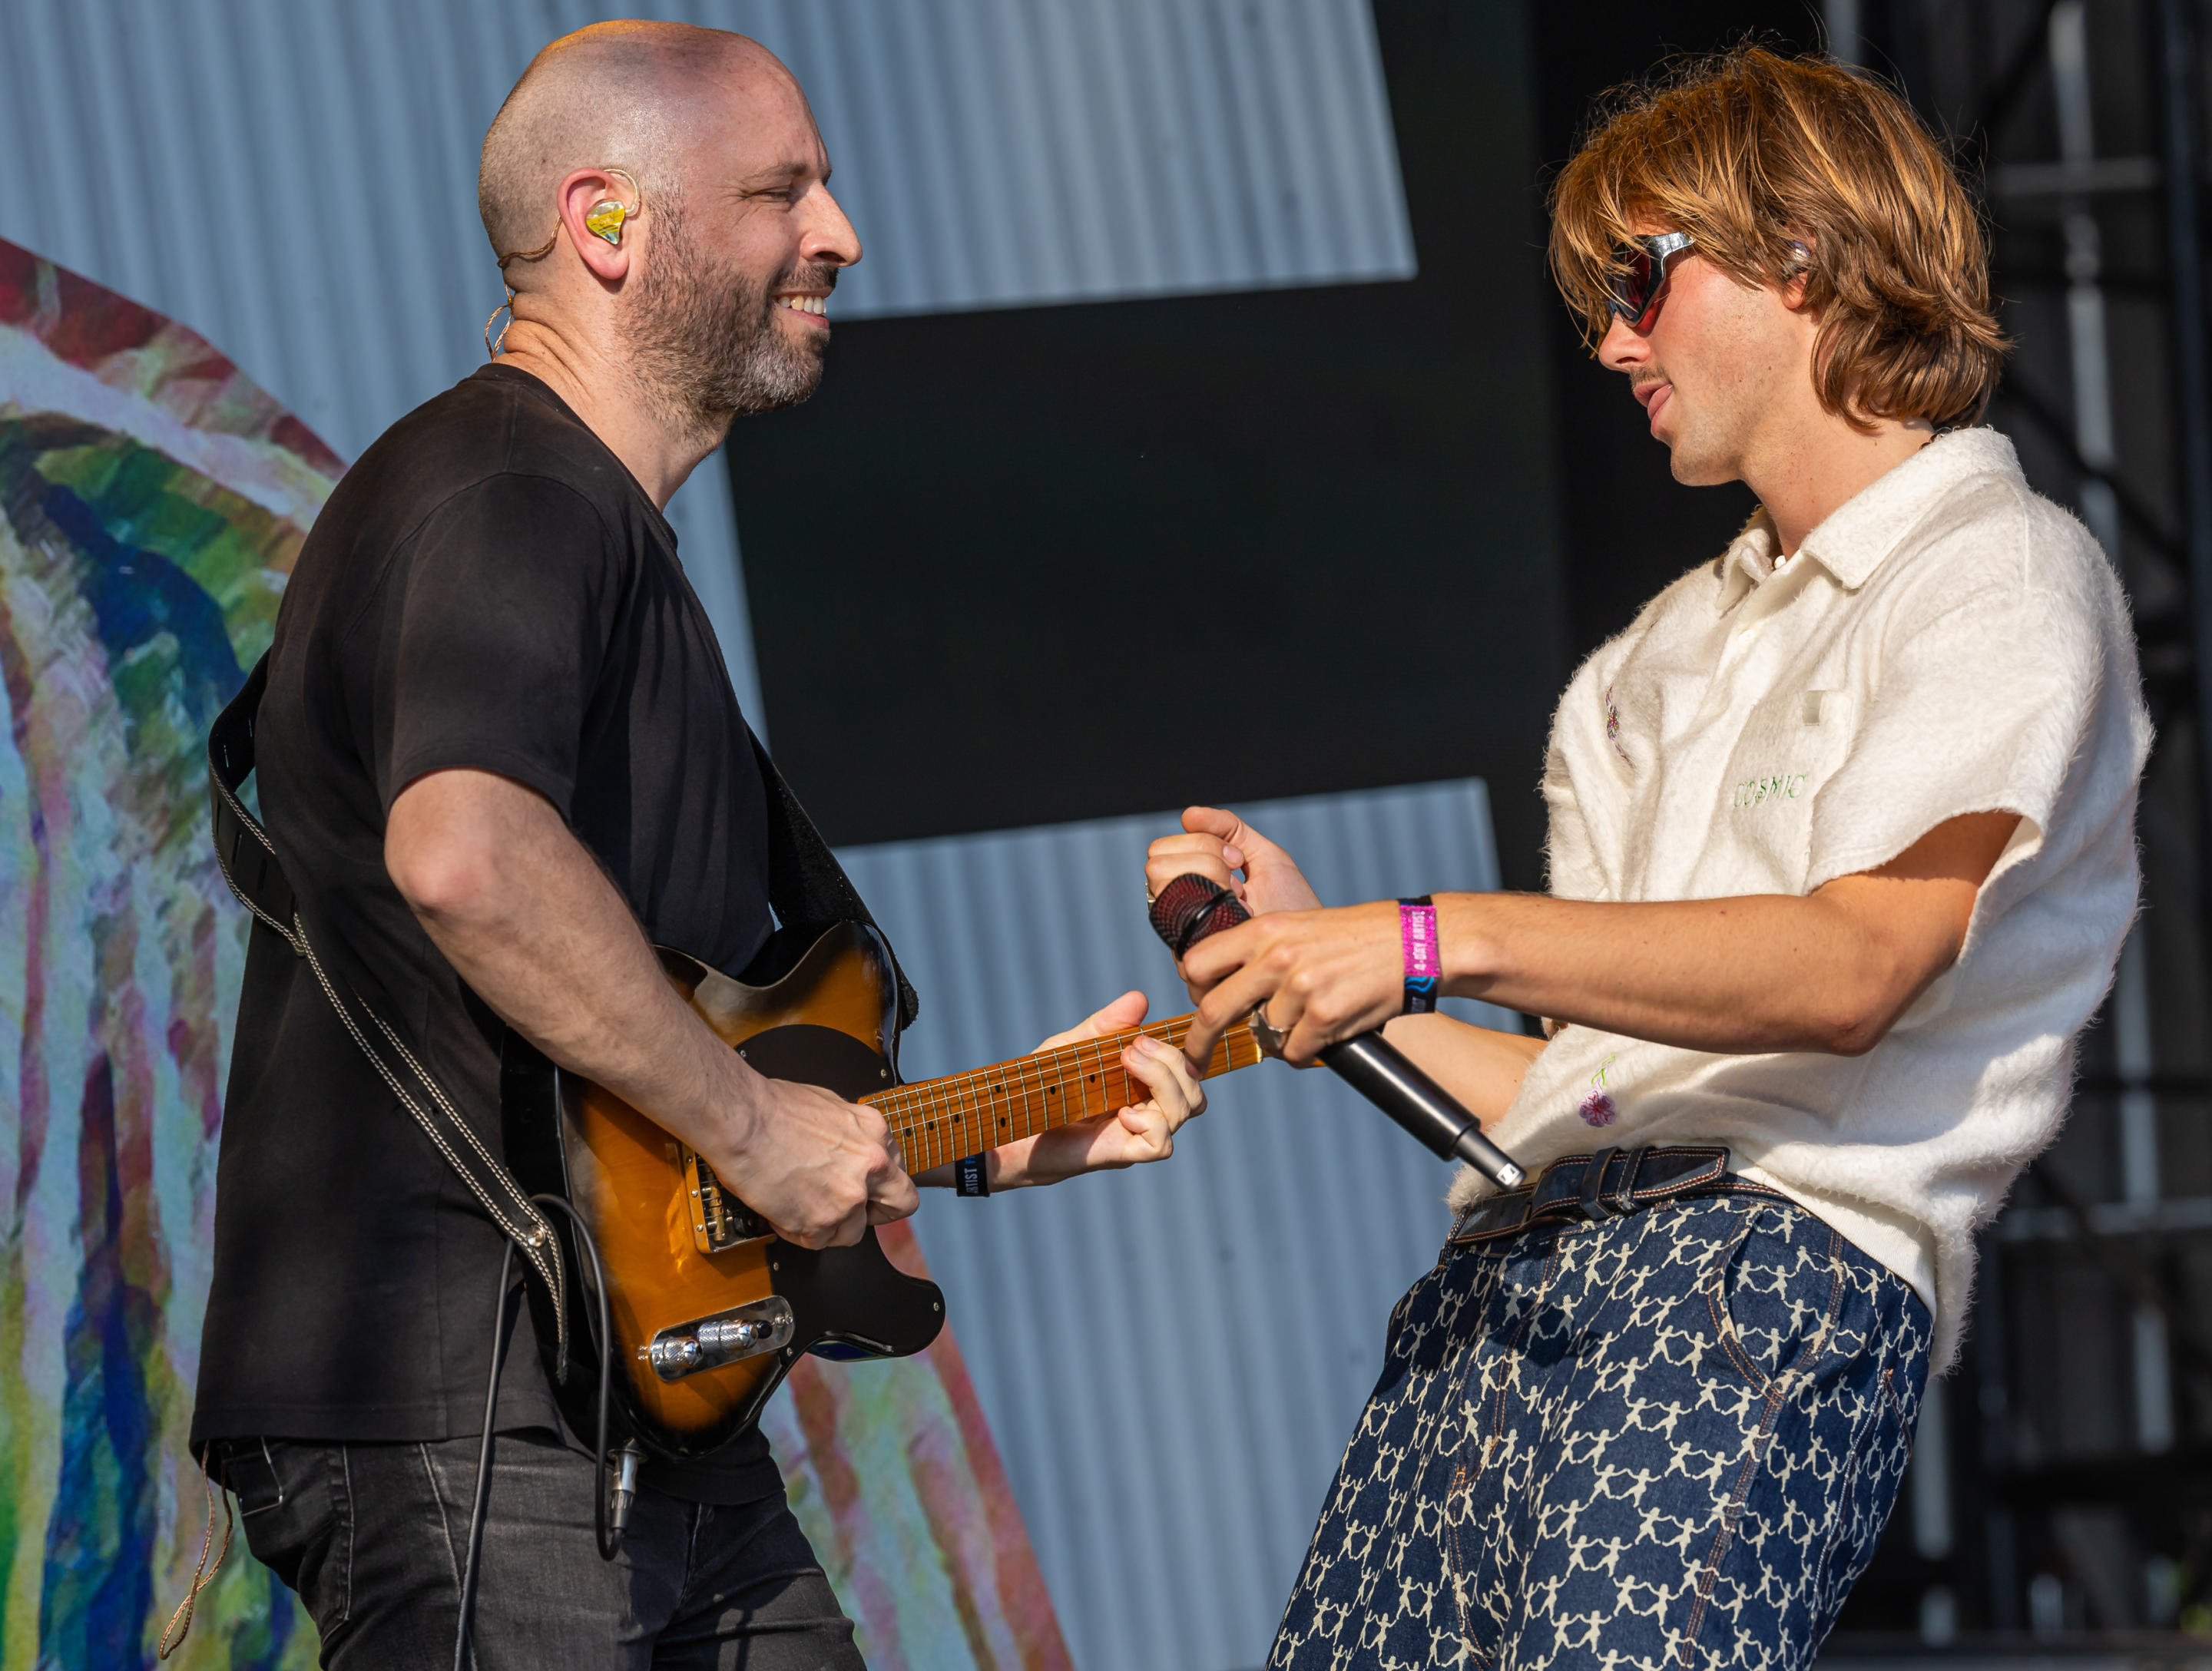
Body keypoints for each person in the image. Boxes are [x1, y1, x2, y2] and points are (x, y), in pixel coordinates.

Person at [186, 22, 1205, 1669]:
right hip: (476, 1411)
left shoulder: (606, 542)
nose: (841, 234)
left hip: (644, 1411)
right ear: (606, 224)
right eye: (781, 191)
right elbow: (466, 850)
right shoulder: (513, 490)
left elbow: (673, 1064)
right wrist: (750, 1118)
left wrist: (970, 1135)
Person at [1149, 47, 2147, 1671]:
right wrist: (1317, 962)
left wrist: (1423, 935)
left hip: (1754, 1280)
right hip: (1502, 1275)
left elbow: (1850, 971)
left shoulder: (2000, 573)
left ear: (1802, 257)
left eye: (1640, 275)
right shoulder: (1649, 661)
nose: (1613, 338)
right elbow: (1581, 1084)